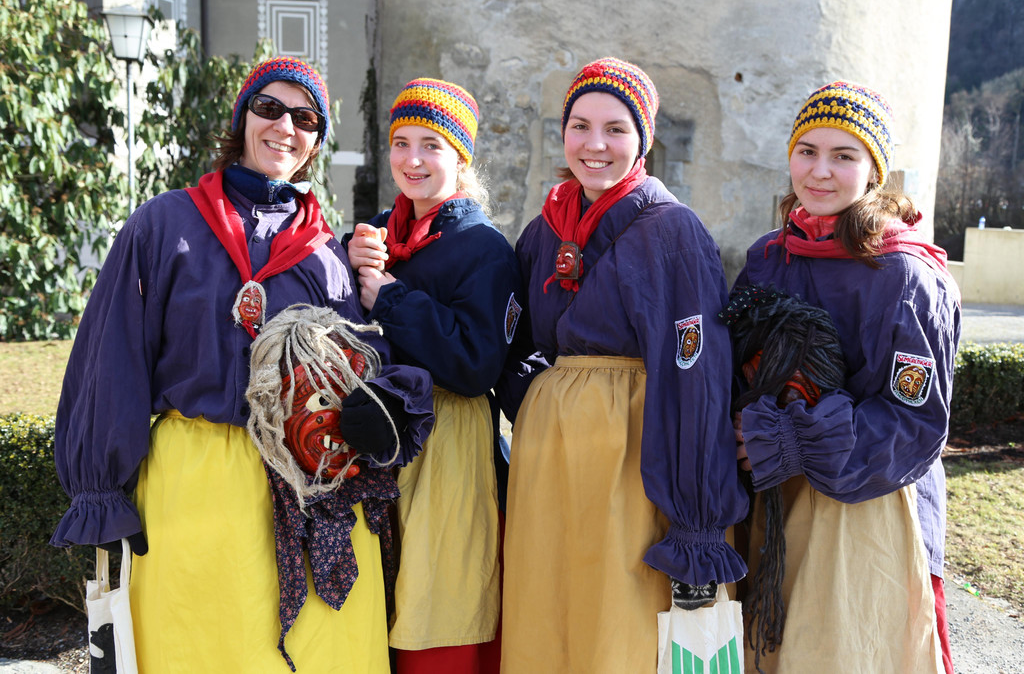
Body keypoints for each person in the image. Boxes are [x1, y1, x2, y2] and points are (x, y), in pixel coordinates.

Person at [50, 56, 435, 673]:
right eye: (270, 108)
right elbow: (110, 357)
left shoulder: (328, 256)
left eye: (305, 119)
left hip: (305, 493)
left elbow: (359, 365)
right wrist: (100, 489)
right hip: (195, 485)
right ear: (242, 118)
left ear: (315, 143)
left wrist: (385, 398)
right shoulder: (164, 225)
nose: (285, 127)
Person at [497, 57, 749, 673]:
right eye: (580, 126)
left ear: (644, 139)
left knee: (618, 628)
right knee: (549, 620)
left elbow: (698, 381)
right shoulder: (542, 233)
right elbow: (513, 343)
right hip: (550, 461)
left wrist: (697, 524)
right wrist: (542, 402)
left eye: (615, 128)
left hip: (634, 462)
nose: (595, 144)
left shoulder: (673, 232)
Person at [731, 81, 961, 673]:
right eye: (807, 151)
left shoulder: (904, 276)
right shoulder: (767, 258)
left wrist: (792, 442)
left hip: (861, 505)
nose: (820, 171)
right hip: (769, 502)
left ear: (874, 170)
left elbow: (913, 422)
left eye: (843, 155)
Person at [344, 78, 522, 673]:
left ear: (461, 158)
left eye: (431, 145)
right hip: (373, 439)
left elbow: (476, 364)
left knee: (437, 610)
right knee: (372, 611)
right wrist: (346, 263)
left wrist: (391, 298)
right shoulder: (377, 233)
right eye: (401, 143)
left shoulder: (484, 249)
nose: (412, 159)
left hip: (446, 444)